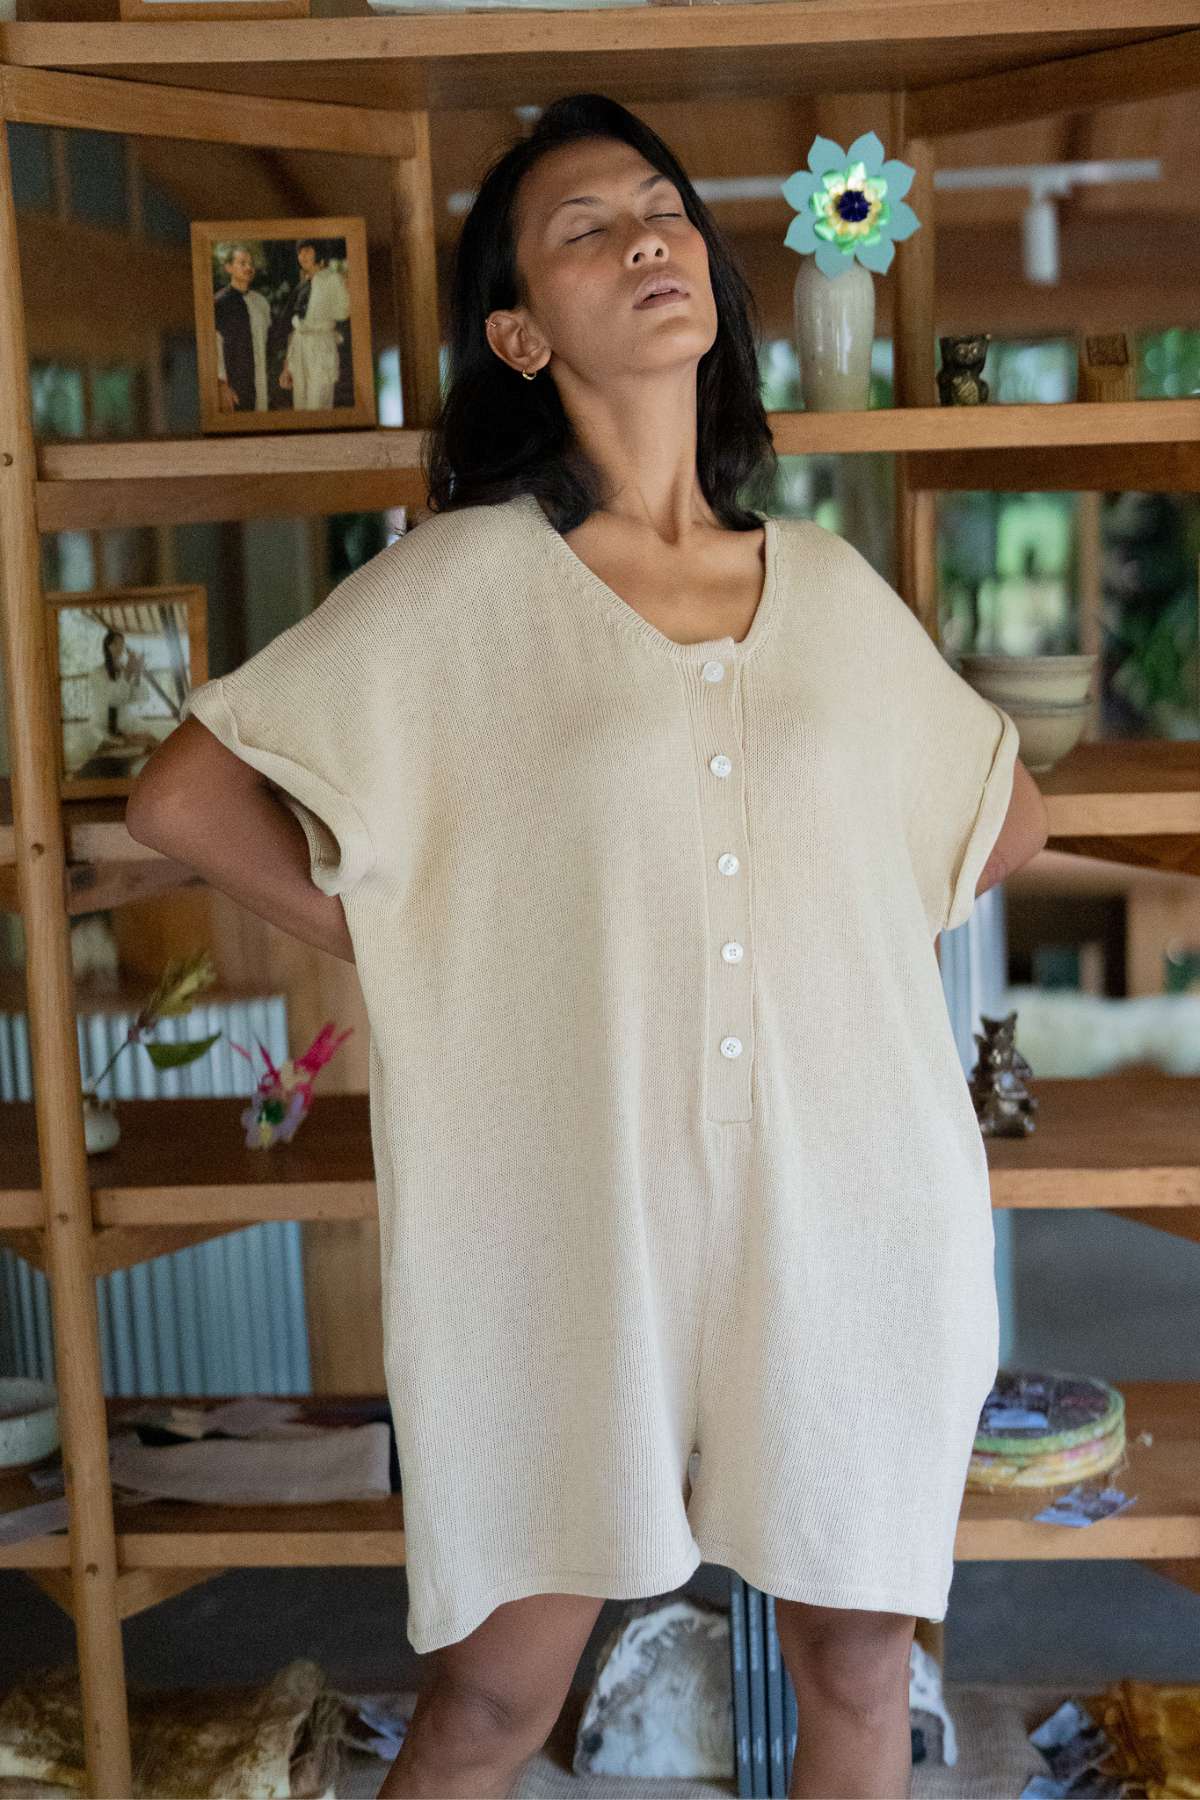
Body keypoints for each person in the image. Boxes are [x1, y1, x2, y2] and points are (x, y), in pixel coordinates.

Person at [127, 92, 1048, 1800]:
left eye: (665, 209)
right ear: (518, 332)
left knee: (858, 1665)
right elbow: (183, 796)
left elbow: (1006, 822)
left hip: (856, 1203)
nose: (648, 238)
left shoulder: (833, 588)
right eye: (587, 228)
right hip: (570, 1220)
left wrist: (820, 932)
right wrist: (408, 937)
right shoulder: (458, 591)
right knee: (496, 1694)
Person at [278, 239, 351, 411]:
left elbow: (343, 313)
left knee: (318, 404)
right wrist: (287, 367)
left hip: (321, 347)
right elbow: (293, 328)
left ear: (318, 252)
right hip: (299, 350)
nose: (302, 256)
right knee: (300, 406)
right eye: (300, 252)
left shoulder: (333, 278)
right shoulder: (301, 286)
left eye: (308, 251)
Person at [214, 243, 271, 414]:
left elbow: (267, 342)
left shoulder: (261, 303)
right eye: (242, 263)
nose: (249, 267)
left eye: (251, 264)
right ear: (229, 267)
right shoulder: (219, 303)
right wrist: (222, 386)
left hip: (261, 384)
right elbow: (214, 346)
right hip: (234, 387)